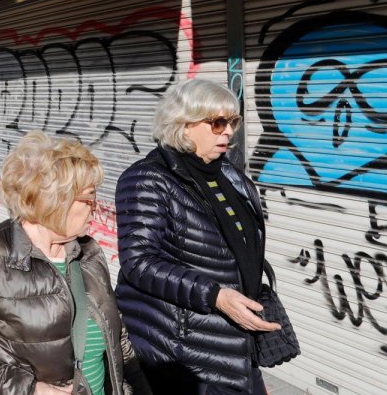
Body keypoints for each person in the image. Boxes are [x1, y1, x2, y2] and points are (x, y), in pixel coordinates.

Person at [0, 131, 149, 395]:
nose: (97, 208)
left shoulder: (89, 251)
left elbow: (118, 338)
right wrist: (29, 390)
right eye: (90, 199)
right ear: (56, 200)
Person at [115, 79, 278, 394]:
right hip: (187, 351)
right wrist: (214, 295)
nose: (228, 132)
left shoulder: (233, 177)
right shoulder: (147, 179)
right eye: (217, 123)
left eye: (232, 122)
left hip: (236, 343)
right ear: (183, 125)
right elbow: (139, 261)